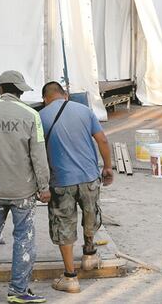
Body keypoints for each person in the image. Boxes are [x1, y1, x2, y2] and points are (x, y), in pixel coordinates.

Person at [0, 70, 51, 304]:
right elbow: (38, 155)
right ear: (20, 91)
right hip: (22, 192)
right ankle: (18, 291)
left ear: (0, 89)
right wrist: (43, 186)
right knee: (24, 239)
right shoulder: (30, 115)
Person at [38, 81, 114, 294]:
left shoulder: (41, 117)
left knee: (64, 225)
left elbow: (36, 153)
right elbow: (103, 141)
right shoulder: (84, 110)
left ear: (45, 98)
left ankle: (70, 278)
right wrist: (107, 167)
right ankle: (89, 255)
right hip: (89, 177)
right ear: (65, 95)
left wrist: (41, 184)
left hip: (61, 181)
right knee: (90, 214)